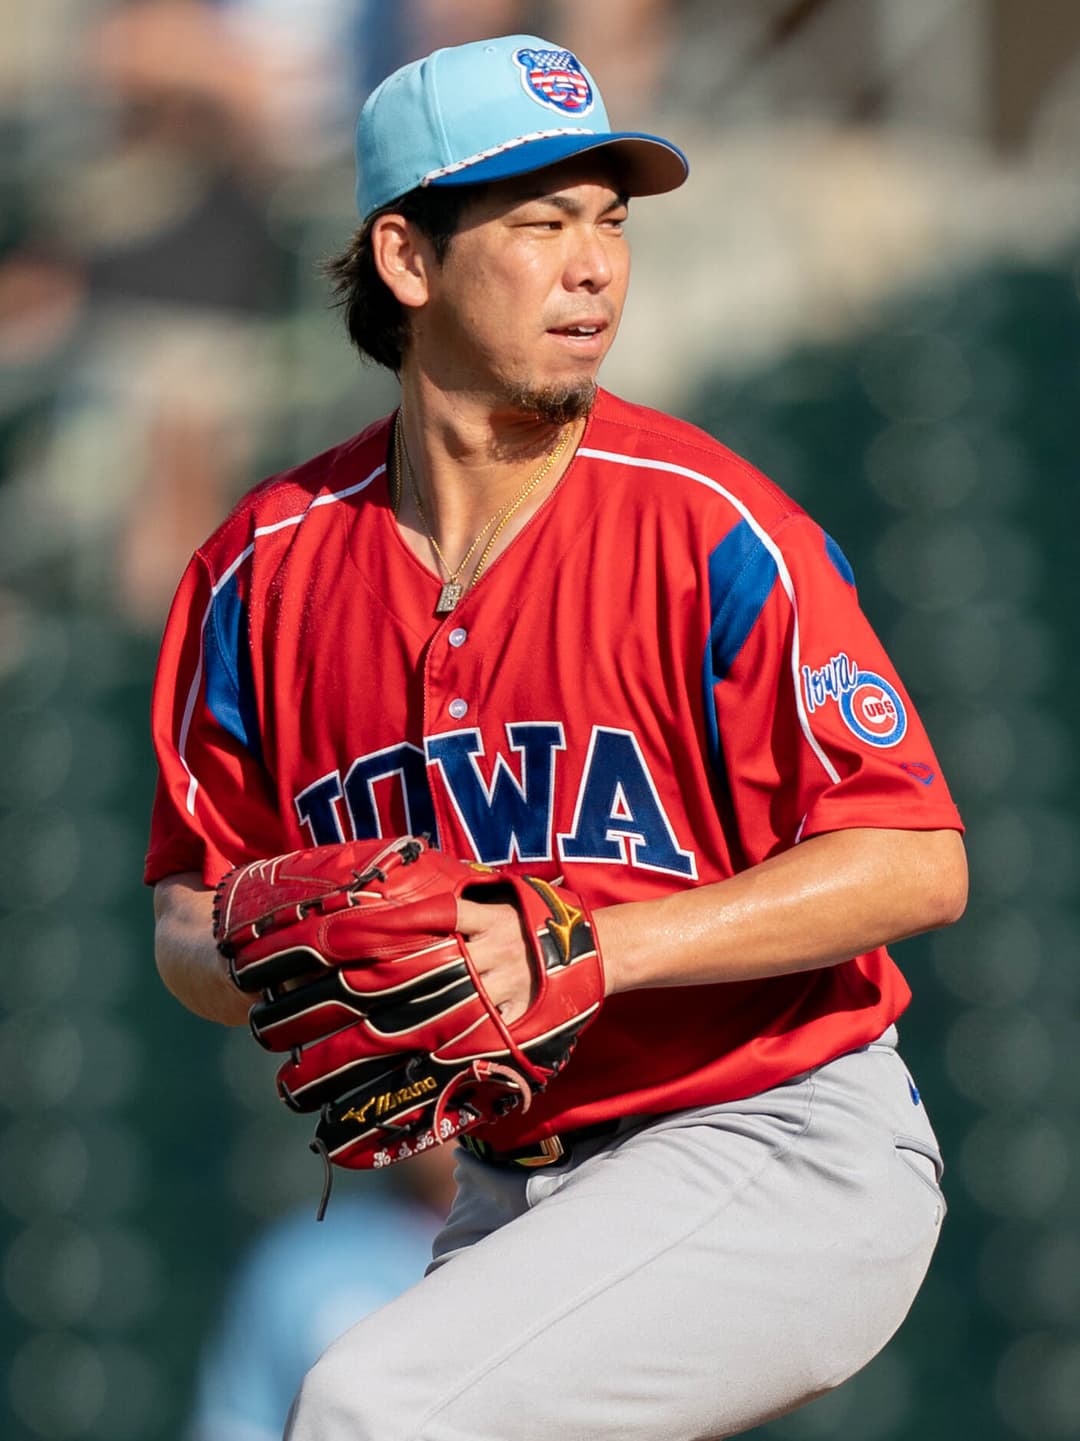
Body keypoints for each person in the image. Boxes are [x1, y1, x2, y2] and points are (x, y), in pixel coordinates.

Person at [147, 34, 968, 1441]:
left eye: (609, 220)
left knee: (366, 1409)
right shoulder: (258, 573)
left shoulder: (708, 522)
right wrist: (255, 948)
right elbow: (183, 913)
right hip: (514, 1184)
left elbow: (917, 860)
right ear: (406, 259)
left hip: (781, 1138)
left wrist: (591, 942)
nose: (594, 264)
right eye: (540, 222)